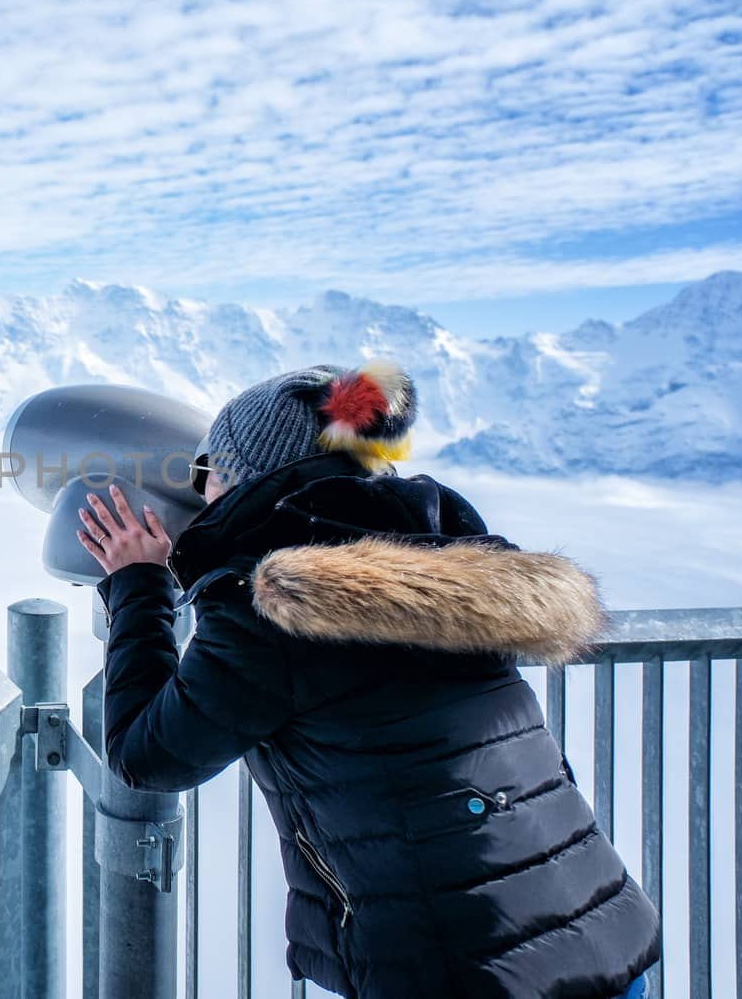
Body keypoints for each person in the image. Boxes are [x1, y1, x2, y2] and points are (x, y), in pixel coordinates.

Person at [75, 360, 660, 999]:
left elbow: (146, 756)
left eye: (209, 468)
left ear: (251, 474)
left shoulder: (273, 609)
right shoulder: (446, 565)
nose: (201, 490)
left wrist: (138, 584)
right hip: (598, 928)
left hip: (461, 968)